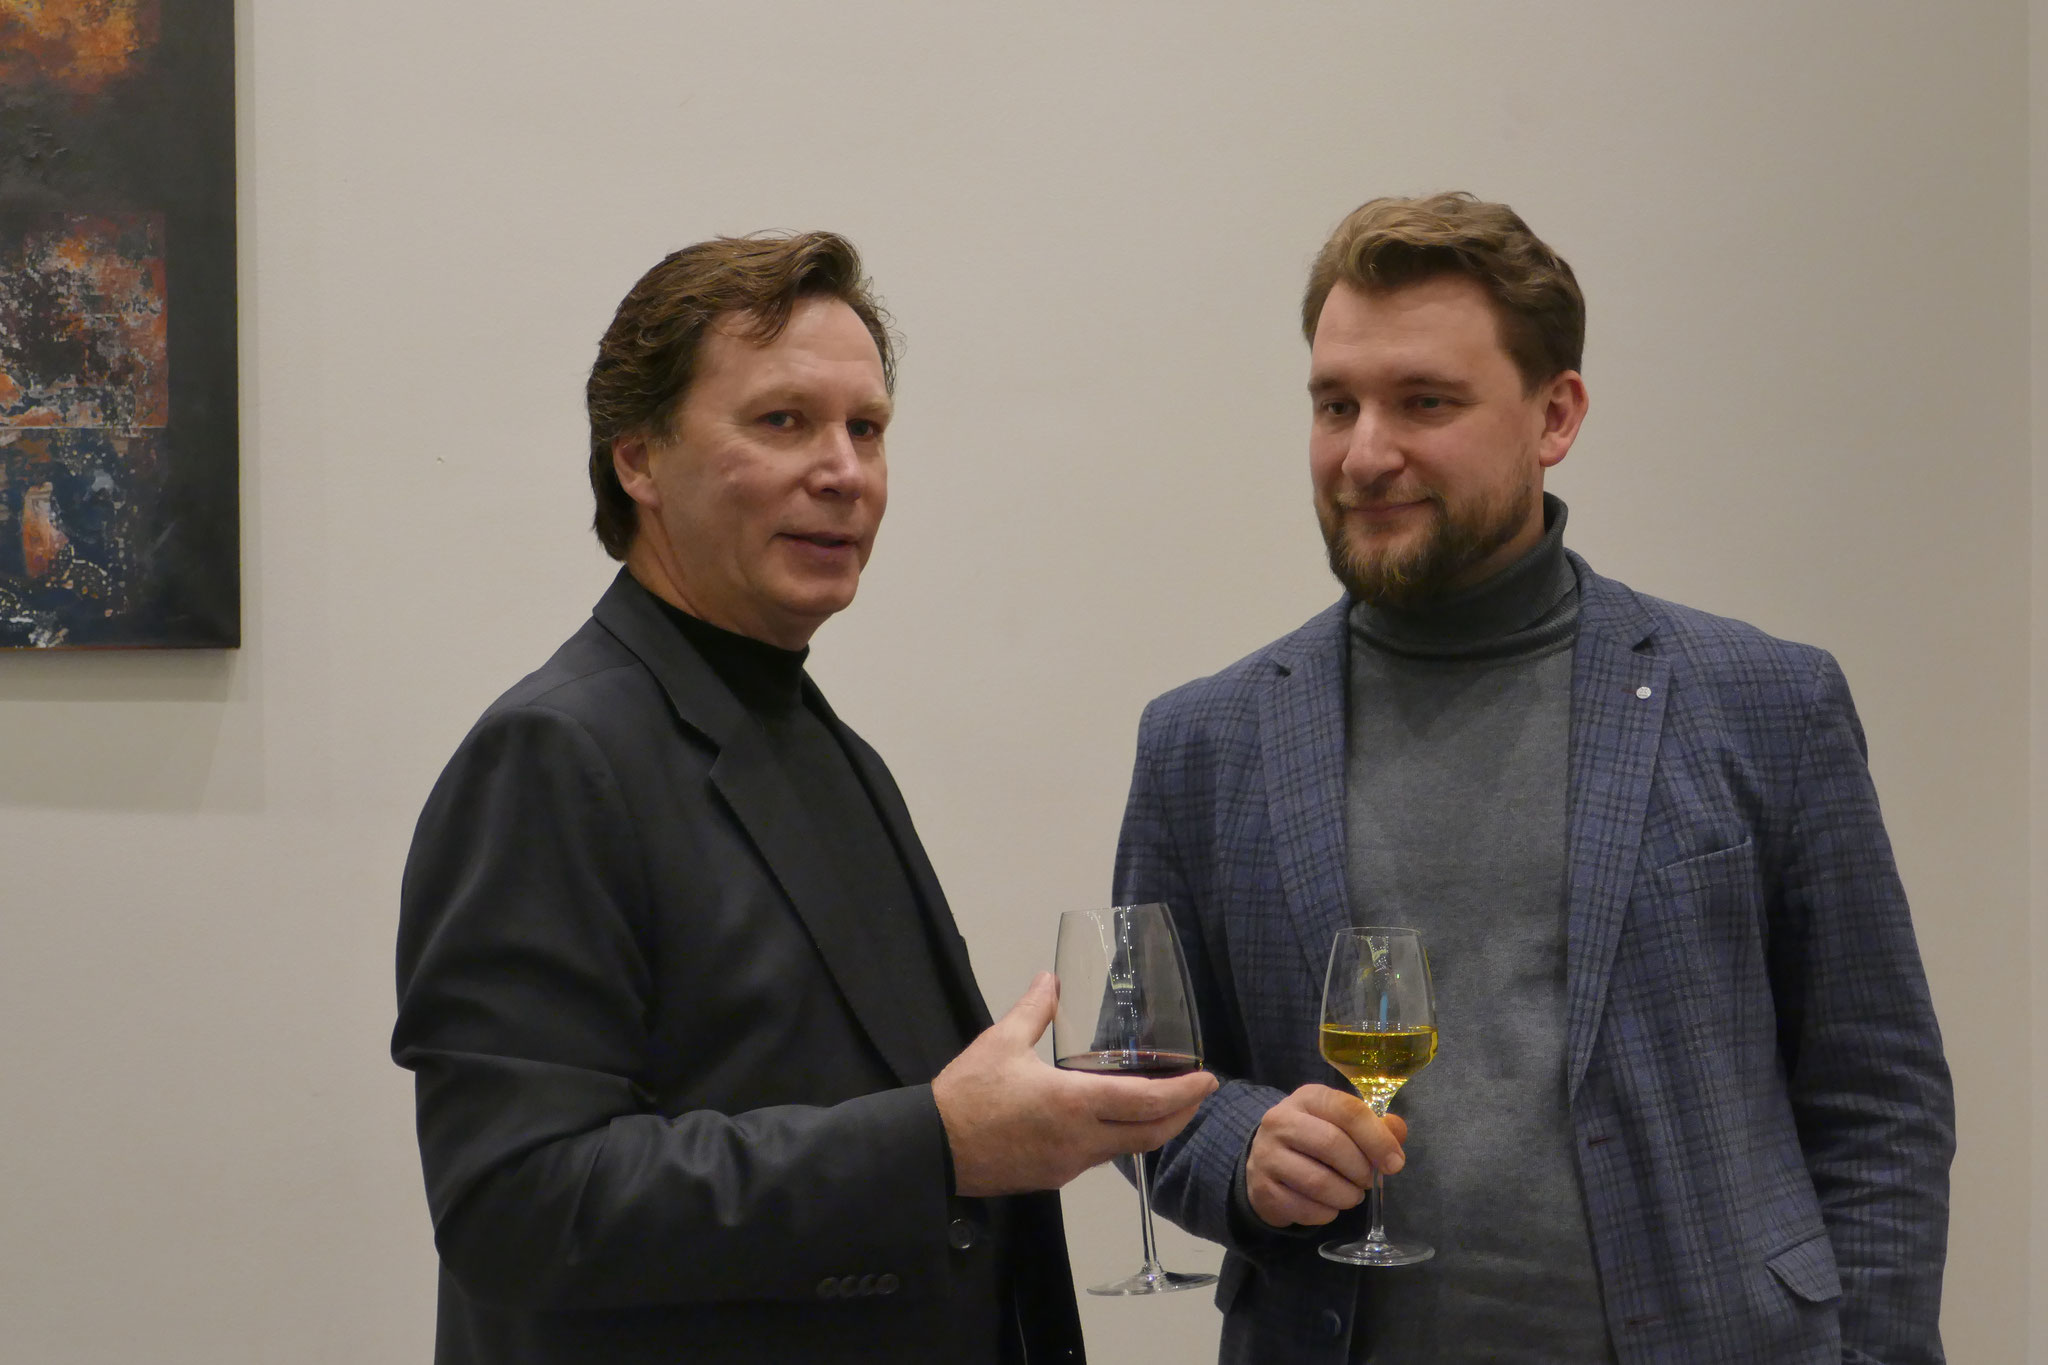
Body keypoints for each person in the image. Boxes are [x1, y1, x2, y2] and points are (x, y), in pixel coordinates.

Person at [1112, 193, 1953, 1365]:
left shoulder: (1767, 703)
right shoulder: (1203, 741)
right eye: (1334, 404)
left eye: (1424, 402)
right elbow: (1141, 1085)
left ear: (1554, 415)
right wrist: (1238, 1149)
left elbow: (1878, 1102)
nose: (1364, 453)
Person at [392, 231, 1216, 1365]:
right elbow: (517, 1202)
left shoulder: (824, 746)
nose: (844, 471)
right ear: (637, 460)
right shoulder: (552, 754)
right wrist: (936, 1146)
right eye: (783, 421)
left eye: (865, 428)